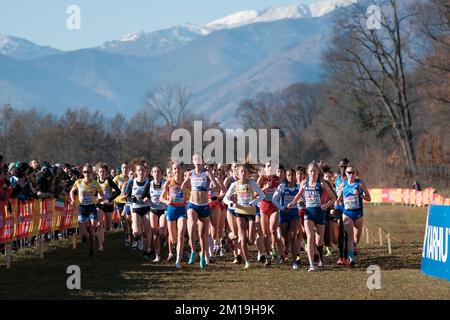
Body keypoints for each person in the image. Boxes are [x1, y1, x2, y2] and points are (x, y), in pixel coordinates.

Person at [287, 162, 336, 272]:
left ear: (318, 172)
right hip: (308, 213)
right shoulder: (304, 183)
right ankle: (311, 264)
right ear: (308, 172)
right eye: (311, 171)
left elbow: (333, 197)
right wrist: (293, 203)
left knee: (319, 241)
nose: (313, 173)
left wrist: (326, 205)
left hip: (320, 213)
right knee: (309, 237)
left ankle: (320, 257)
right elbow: (299, 194)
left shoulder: (322, 183)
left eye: (315, 171)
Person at [185, 154, 224, 269]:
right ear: (192, 161)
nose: (197, 161)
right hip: (192, 204)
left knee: (204, 235)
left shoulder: (207, 173)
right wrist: (184, 187)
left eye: (199, 159)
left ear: (202, 160)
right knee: (191, 226)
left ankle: (202, 256)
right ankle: (192, 252)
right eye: (195, 159)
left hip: (204, 205)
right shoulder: (190, 173)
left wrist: (208, 189)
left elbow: (217, 188)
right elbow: (183, 186)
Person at [223, 163, 265, 269]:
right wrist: (231, 204)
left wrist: (254, 202)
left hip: (251, 213)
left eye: (245, 171)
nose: (243, 173)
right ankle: (247, 261)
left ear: (247, 173)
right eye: (241, 171)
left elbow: (262, 195)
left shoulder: (252, 183)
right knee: (242, 238)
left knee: (250, 240)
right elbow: (225, 198)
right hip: (239, 212)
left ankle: (249, 240)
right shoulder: (234, 185)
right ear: (237, 173)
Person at [336, 164, 371, 266]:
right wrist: (336, 203)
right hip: (347, 213)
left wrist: (360, 195)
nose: (351, 174)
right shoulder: (343, 185)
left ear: (356, 173)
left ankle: (354, 247)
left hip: (358, 214)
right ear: (346, 173)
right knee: (350, 237)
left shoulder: (360, 184)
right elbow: (338, 199)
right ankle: (351, 260)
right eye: (349, 172)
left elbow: (369, 198)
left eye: (353, 172)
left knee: (356, 239)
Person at [69, 164, 104, 258]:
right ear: (82, 173)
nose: (86, 174)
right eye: (84, 172)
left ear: (92, 173)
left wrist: (100, 199)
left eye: (88, 172)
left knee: (92, 232)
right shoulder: (79, 182)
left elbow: (102, 194)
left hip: (92, 208)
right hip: (82, 208)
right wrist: (72, 200)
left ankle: (91, 251)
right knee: (84, 233)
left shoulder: (95, 183)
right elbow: (71, 191)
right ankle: (84, 237)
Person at [160, 161, 189, 268]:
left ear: (182, 170)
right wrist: (168, 202)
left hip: (181, 210)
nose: (177, 170)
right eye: (175, 169)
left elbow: (191, 194)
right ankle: (177, 250)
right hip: (171, 210)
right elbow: (161, 198)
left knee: (181, 234)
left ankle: (178, 260)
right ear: (172, 171)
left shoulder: (186, 182)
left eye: (179, 168)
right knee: (173, 239)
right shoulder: (168, 182)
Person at [272, 168, 300, 269]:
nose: (291, 177)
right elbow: (274, 199)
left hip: (294, 213)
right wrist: (282, 208)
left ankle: (294, 262)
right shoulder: (282, 186)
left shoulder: (298, 187)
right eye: (288, 175)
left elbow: (304, 199)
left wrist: (301, 204)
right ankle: (285, 249)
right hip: (284, 213)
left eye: (292, 175)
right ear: (286, 176)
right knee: (285, 238)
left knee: (293, 235)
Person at [125, 164, 152, 258]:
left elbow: (153, 194)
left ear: (145, 171)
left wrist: (148, 197)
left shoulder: (149, 182)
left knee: (147, 230)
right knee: (137, 231)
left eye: (143, 170)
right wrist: (134, 198)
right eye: (139, 170)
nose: (141, 172)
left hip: (147, 208)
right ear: (136, 172)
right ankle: (137, 238)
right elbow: (127, 196)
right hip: (136, 208)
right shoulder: (132, 182)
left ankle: (147, 250)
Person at [257, 160, 281, 265]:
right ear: (265, 168)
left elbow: (282, 192)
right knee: (266, 234)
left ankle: (273, 247)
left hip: (274, 207)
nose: (270, 168)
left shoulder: (277, 179)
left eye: (272, 166)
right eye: (268, 166)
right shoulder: (261, 179)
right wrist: (264, 188)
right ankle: (267, 255)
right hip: (263, 208)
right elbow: (254, 193)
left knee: (272, 230)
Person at [95, 163, 120, 251]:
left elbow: (118, 191)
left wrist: (109, 199)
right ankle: (100, 245)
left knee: (108, 227)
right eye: (100, 172)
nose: (102, 173)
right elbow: (93, 193)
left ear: (106, 173)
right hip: (99, 205)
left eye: (103, 172)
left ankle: (105, 230)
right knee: (99, 224)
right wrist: (95, 199)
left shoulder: (109, 181)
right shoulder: (95, 182)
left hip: (109, 205)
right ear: (97, 173)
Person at [149, 166, 168, 262]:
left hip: (163, 209)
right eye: (155, 172)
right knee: (155, 233)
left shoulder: (165, 183)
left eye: (158, 172)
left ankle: (166, 237)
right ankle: (157, 254)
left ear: (161, 174)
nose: (156, 173)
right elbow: (145, 194)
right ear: (152, 173)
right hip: (153, 210)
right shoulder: (150, 184)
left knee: (162, 233)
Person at [334, 158, 349, 265]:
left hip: (348, 208)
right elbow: (335, 194)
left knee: (346, 232)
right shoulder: (337, 179)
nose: (342, 168)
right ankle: (341, 256)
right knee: (340, 230)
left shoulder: (350, 179)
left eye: (344, 166)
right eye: (341, 166)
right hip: (339, 208)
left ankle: (347, 255)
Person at [113, 162, 131, 246]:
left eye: (126, 167)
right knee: (122, 219)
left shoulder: (130, 177)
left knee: (128, 219)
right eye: (123, 167)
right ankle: (127, 233)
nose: (125, 169)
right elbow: (113, 190)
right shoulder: (117, 178)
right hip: (119, 201)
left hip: (128, 201)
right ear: (121, 168)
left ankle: (130, 235)